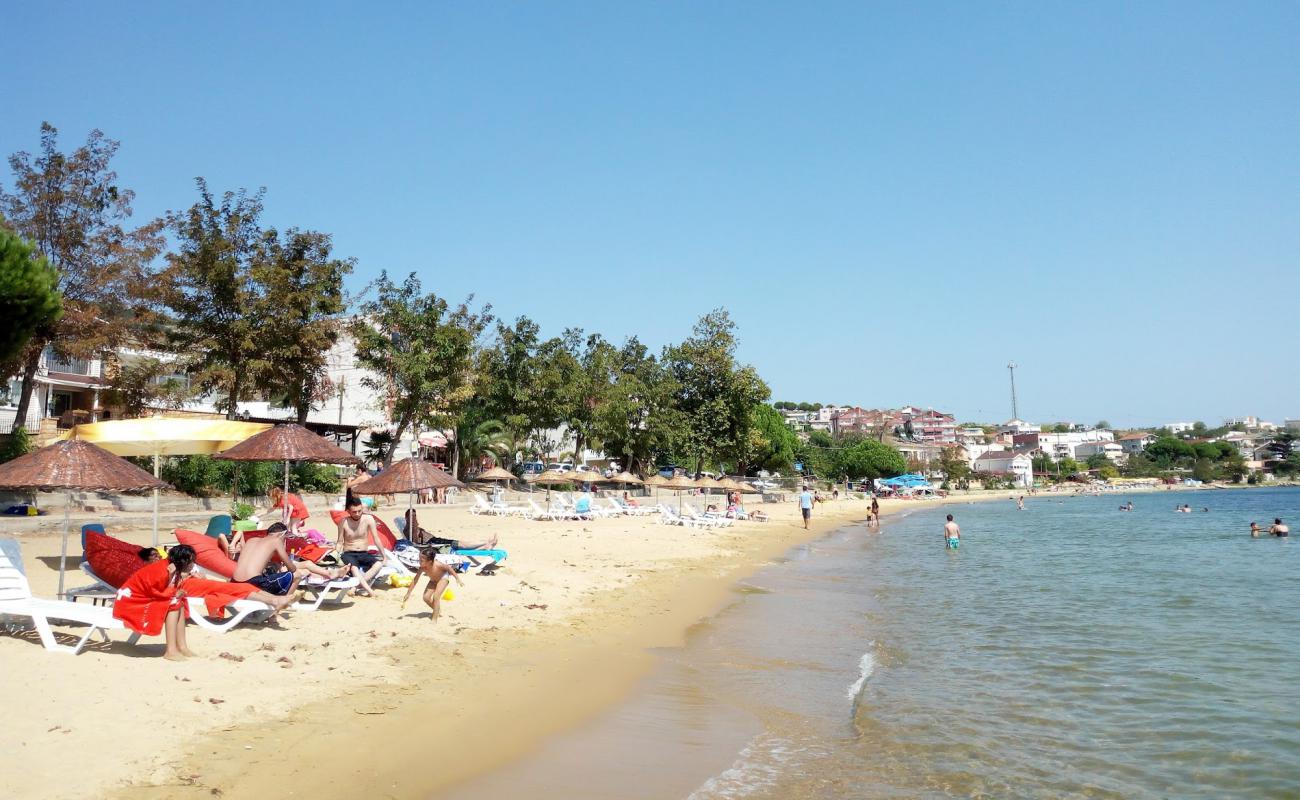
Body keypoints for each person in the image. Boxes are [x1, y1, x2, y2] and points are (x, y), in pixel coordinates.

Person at [113, 544, 292, 660]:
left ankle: (181, 646)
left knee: (180, 601)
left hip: (149, 594)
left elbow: (160, 588)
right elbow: (152, 590)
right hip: (133, 602)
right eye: (191, 562)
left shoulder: (172, 568)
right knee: (175, 603)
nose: (193, 564)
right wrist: (174, 592)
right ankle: (171, 651)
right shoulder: (163, 570)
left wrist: (176, 590)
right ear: (183, 561)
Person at [234, 522, 344, 596]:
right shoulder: (276, 541)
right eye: (285, 538)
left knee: (298, 569)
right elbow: (291, 568)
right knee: (297, 575)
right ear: (282, 535)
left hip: (235, 582)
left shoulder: (251, 540)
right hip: (254, 583)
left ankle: (327, 574)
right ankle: (279, 607)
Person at [337, 498, 388, 593]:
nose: (357, 514)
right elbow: (340, 541)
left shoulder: (368, 519)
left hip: (364, 553)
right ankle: (370, 591)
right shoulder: (343, 522)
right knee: (354, 568)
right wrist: (336, 555)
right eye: (354, 512)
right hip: (349, 553)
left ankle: (355, 587)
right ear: (348, 511)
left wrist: (384, 557)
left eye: (359, 511)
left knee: (378, 564)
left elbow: (376, 539)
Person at [401, 548, 465, 623]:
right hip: (433, 580)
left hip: (443, 578)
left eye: (421, 560)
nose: (419, 562)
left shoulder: (438, 564)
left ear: (430, 561)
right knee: (426, 597)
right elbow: (415, 579)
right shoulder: (422, 568)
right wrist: (408, 593)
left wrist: (457, 578)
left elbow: (448, 568)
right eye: (419, 559)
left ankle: (434, 619)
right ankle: (437, 610)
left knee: (436, 597)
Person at [403, 508, 499, 551]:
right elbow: (415, 542)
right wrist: (415, 528)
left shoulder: (412, 527)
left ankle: (485, 546)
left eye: (415, 515)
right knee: (462, 543)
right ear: (407, 518)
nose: (415, 518)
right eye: (412, 516)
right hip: (434, 544)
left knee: (461, 543)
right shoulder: (409, 529)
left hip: (435, 540)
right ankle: (486, 542)